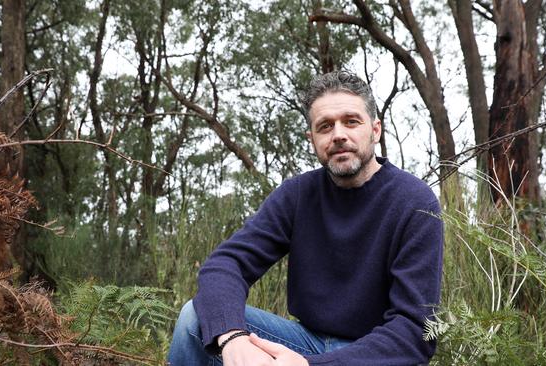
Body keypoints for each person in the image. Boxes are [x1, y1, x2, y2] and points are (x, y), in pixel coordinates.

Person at [168, 71, 444, 365]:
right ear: (312, 139)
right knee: (195, 318)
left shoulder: (414, 201)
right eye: (325, 126)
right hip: (303, 340)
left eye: (351, 121)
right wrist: (232, 336)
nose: (338, 134)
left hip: (373, 353)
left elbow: (415, 330)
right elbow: (227, 264)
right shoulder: (298, 195)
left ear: (375, 130)